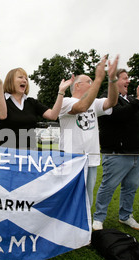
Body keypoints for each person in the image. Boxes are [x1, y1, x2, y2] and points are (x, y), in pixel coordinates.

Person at [93, 70, 139, 231]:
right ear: (115, 81)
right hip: (116, 153)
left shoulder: (131, 100)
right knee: (108, 186)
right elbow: (121, 115)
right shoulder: (106, 99)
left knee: (131, 187)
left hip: (136, 152)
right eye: (125, 78)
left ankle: (126, 216)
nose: (129, 81)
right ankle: (98, 218)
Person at [58, 55, 119, 209]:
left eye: (93, 82)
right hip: (70, 160)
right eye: (89, 82)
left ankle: (84, 228)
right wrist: (99, 79)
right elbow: (82, 107)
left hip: (90, 160)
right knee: (69, 197)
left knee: (87, 198)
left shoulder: (95, 103)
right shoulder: (65, 102)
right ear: (77, 85)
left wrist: (112, 80)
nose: (93, 85)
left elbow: (112, 101)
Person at [0, 68, 73, 149]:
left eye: (26, 79)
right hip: (8, 155)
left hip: (30, 154)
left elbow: (53, 115)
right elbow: (2, 115)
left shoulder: (32, 102)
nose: (25, 80)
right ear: (10, 81)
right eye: (20, 77)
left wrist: (61, 92)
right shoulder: (1, 99)